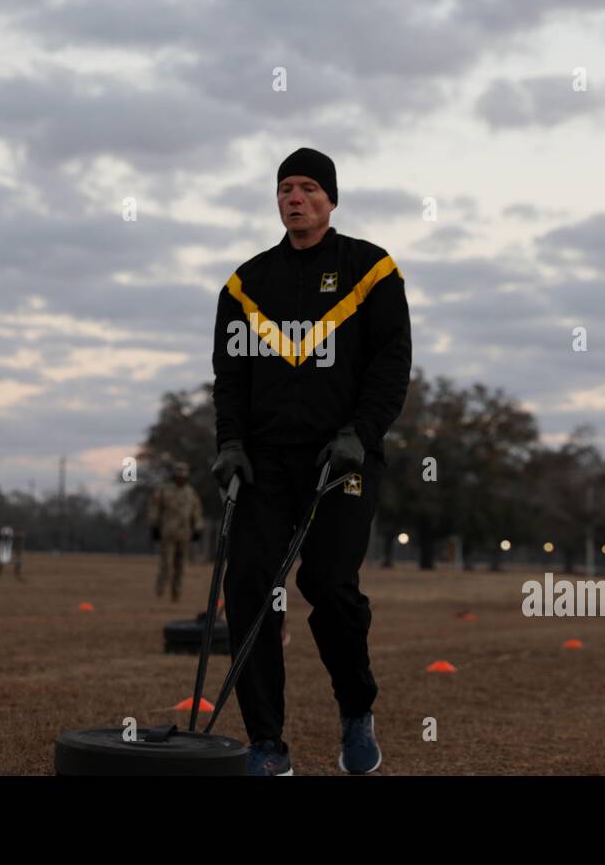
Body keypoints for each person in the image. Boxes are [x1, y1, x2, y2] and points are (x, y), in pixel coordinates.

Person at [211, 147, 411, 775]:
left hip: (342, 457)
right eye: (284, 188)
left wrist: (361, 432)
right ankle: (268, 744)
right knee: (247, 588)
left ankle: (357, 711)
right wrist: (231, 444)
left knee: (328, 585)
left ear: (330, 198)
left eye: (306, 188)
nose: (293, 198)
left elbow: (390, 365)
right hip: (266, 461)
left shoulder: (372, 269)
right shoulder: (246, 283)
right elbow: (230, 376)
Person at [149, 461, 204, 603]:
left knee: (180, 566)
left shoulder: (191, 493)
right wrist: (154, 526)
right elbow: (155, 509)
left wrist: (198, 528)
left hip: (184, 534)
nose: (181, 478)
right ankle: (159, 592)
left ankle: (176, 595)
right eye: (178, 475)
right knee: (166, 564)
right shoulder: (164, 490)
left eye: (183, 476)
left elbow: (197, 513)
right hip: (168, 533)